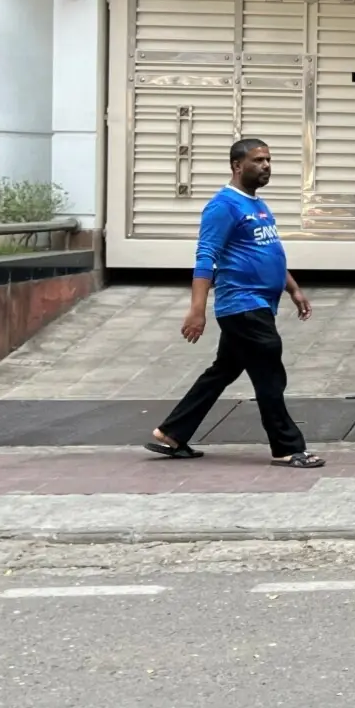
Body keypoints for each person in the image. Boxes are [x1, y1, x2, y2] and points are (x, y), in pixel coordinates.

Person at [144, 138, 327, 467]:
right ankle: (287, 447)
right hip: (242, 305)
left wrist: (293, 289)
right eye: (258, 160)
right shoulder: (223, 206)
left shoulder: (257, 204)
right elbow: (205, 257)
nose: (266, 166)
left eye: (269, 160)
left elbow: (268, 251)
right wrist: (197, 310)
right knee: (270, 373)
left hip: (256, 304)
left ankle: (171, 433)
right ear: (237, 166)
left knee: (222, 371)